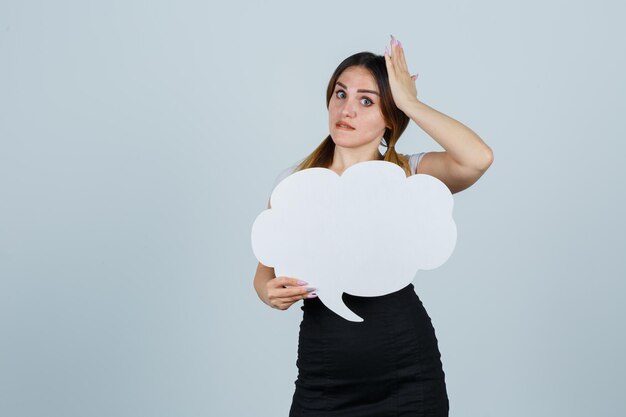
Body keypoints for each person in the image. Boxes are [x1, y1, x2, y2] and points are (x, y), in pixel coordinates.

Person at [253, 35, 493, 417]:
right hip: (324, 375)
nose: (347, 109)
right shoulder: (295, 183)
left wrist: (411, 103)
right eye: (340, 94)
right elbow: (264, 272)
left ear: (390, 116)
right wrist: (268, 292)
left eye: (367, 100)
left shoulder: (409, 172)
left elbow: (477, 158)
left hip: (407, 372)